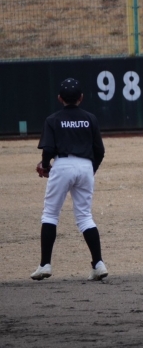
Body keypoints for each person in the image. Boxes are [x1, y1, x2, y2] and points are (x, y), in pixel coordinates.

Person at [31, 77, 108, 281]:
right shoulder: (90, 118)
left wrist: (45, 165)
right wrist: (91, 170)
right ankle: (98, 264)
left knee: (50, 214)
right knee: (85, 216)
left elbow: (48, 148)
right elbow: (100, 150)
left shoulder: (53, 119)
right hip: (85, 166)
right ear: (81, 97)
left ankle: (45, 265)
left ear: (60, 98)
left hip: (63, 164)